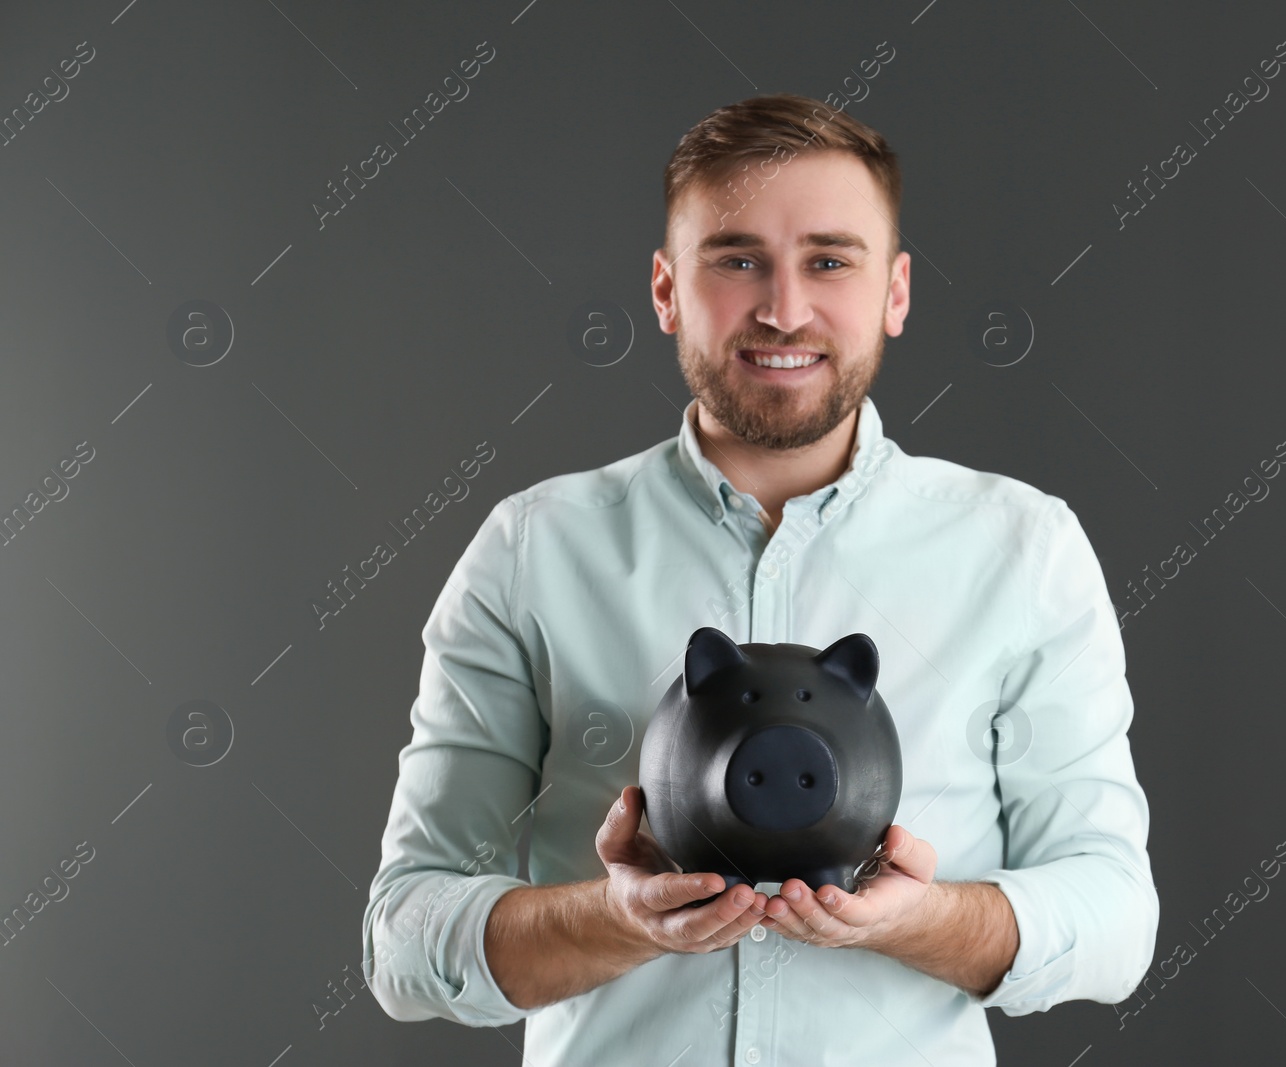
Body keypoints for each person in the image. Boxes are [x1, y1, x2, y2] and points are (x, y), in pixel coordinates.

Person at [362, 92, 1158, 1065]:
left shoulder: (1022, 549)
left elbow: (1115, 919)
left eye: (829, 259)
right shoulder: (534, 548)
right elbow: (403, 935)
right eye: (736, 258)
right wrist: (619, 919)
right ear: (665, 289)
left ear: (895, 291)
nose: (784, 307)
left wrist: (913, 919)